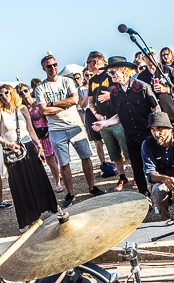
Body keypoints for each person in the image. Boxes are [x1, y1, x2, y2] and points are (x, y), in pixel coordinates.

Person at [35, 53, 106, 207]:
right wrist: (63, 105)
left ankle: (92, 187)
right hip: (56, 129)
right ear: (44, 68)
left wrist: (52, 103)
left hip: (75, 125)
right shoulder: (40, 88)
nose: (53, 68)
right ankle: (70, 193)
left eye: (54, 65)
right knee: (63, 162)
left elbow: (74, 100)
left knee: (86, 157)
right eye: (49, 66)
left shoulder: (67, 81)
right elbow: (44, 111)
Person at [0, 84, 58, 231]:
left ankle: (51, 208)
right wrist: (7, 144)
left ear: (12, 93)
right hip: (11, 151)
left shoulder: (22, 108)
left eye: (6, 92)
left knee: (39, 179)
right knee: (19, 185)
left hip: (27, 147)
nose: (4, 96)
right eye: (1, 95)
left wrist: (40, 147)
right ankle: (27, 219)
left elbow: (30, 129)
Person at [93, 56, 160, 196]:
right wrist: (105, 123)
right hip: (130, 136)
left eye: (113, 72)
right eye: (109, 73)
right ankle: (144, 196)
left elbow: (156, 110)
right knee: (136, 167)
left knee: (156, 165)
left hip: (148, 134)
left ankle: (161, 193)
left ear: (124, 71)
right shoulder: (115, 92)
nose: (110, 76)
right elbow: (119, 116)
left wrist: (157, 130)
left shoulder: (141, 87)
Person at [85, 52, 129, 190]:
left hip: (117, 118)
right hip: (103, 120)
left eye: (88, 62)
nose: (87, 65)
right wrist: (96, 114)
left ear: (96, 62)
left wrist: (111, 96)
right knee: (113, 152)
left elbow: (122, 89)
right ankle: (122, 177)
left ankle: (136, 177)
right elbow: (90, 101)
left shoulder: (110, 75)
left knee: (126, 149)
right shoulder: (92, 81)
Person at [18, 82, 61, 189]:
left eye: (25, 90)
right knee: (38, 161)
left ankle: (57, 182)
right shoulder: (22, 107)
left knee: (51, 161)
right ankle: (44, 184)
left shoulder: (38, 102)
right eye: (21, 93)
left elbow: (47, 114)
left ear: (29, 90)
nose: (24, 93)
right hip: (34, 137)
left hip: (46, 133)